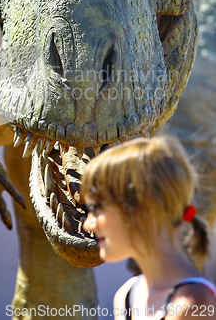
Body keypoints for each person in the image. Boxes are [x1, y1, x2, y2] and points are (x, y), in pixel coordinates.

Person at [81, 135, 216, 320]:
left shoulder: (191, 304)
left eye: (97, 209)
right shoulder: (126, 296)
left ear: (144, 209)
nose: (88, 223)